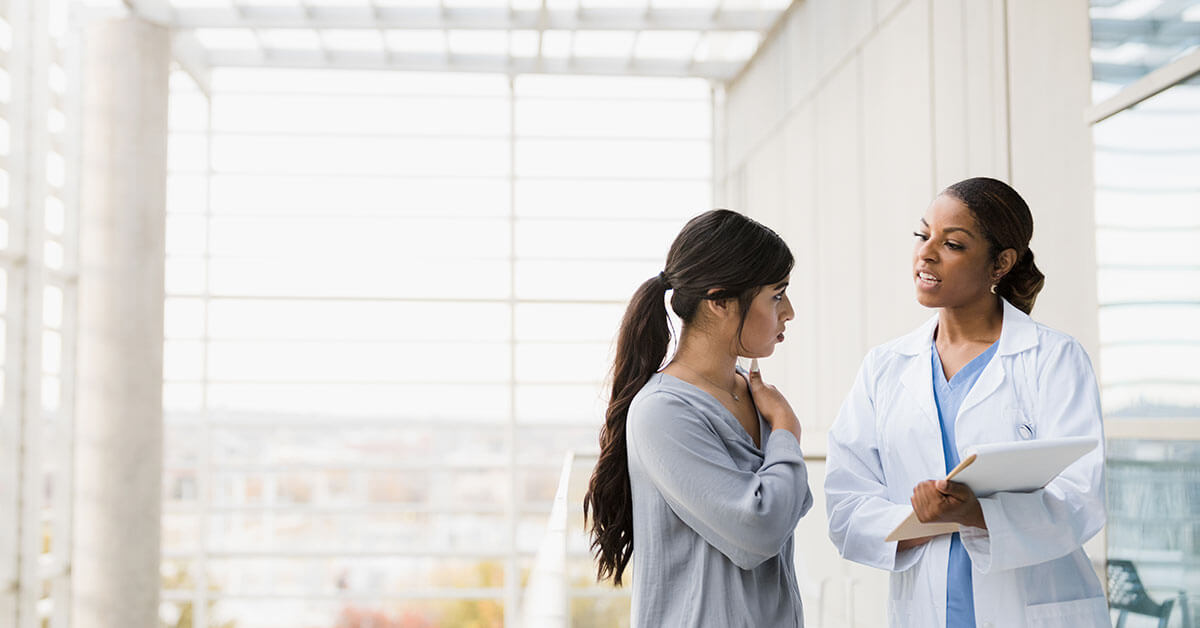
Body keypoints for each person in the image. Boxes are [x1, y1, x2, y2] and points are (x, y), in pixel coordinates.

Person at [824, 177, 1108, 627]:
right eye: (923, 235)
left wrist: (976, 513)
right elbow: (845, 504)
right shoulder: (885, 367)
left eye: (952, 243)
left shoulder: (1053, 358)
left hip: (1032, 610)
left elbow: (1081, 498)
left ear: (1000, 264)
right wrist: (925, 519)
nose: (926, 252)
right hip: (927, 609)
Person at [583, 209, 814, 627]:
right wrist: (784, 430)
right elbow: (759, 531)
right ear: (720, 300)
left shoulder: (752, 394)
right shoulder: (663, 411)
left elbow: (787, 507)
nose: (789, 311)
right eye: (776, 295)